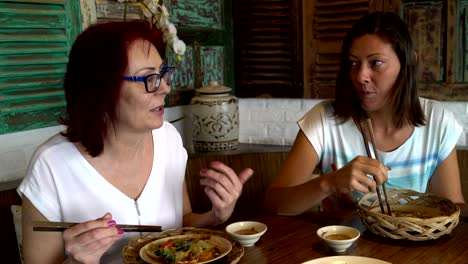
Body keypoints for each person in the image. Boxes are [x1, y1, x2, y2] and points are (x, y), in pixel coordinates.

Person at [17, 20, 254, 264]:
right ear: (102, 89)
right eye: (149, 78)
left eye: (163, 74)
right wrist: (78, 261)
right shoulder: (51, 166)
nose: (165, 88)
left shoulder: (168, 139)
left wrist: (215, 215)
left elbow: (181, 225)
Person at [264, 11, 465, 215]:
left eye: (375, 63)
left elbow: (452, 209)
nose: (360, 76)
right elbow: (274, 204)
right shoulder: (324, 119)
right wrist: (328, 183)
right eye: (353, 63)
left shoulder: (438, 121)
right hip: (343, 244)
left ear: (408, 64)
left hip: (410, 243)